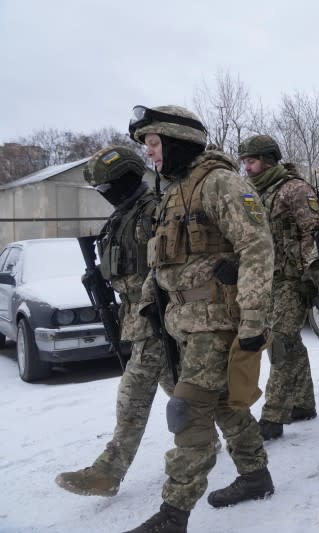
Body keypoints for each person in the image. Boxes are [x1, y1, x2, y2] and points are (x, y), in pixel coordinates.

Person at [124, 105, 274, 533]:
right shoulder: (173, 191)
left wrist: (252, 320)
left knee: (188, 411)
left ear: (174, 141)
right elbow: (162, 263)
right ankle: (255, 475)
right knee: (226, 405)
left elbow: (257, 248)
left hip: (216, 321)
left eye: (153, 143)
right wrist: (151, 304)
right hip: (182, 321)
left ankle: (173, 515)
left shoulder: (220, 183)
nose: (150, 153)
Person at [55, 146, 176, 497]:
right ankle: (230, 433)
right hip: (135, 315)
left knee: (133, 392)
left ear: (124, 181)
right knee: (179, 384)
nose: (104, 195)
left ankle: (108, 471)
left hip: (156, 315)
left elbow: (167, 266)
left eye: (107, 187)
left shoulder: (154, 210)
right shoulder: (123, 215)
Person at [238, 134, 319, 441]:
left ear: (269, 159)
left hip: (291, 279)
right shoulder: (250, 193)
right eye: (245, 161)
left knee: (280, 342)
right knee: (288, 341)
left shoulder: (293, 189)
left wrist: (309, 274)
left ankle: (274, 415)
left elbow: (313, 231)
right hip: (265, 281)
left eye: (253, 161)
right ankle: (303, 402)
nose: (247, 167)